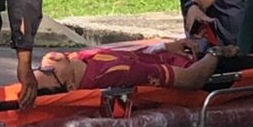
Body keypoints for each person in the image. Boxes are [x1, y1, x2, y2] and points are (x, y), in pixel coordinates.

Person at [34, 39, 238, 93]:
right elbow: (192, 79)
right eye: (48, 71)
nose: (47, 61)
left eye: (38, 67)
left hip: (187, 56)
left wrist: (165, 47)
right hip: (209, 72)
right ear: (70, 86)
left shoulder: (77, 58)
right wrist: (216, 53)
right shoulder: (114, 75)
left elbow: (128, 55)